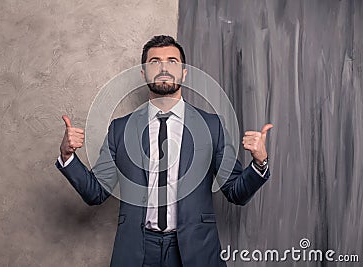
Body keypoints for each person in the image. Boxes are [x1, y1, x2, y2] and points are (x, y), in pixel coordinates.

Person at [56, 35, 273, 267]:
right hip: (137, 250)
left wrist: (259, 163)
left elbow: (235, 192)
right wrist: (68, 156)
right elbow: (95, 192)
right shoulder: (120, 129)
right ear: (143, 74)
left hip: (194, 250)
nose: (163, 68)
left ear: (184, 72)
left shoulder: (212, 126)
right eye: (154, 62)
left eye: (172, 61)